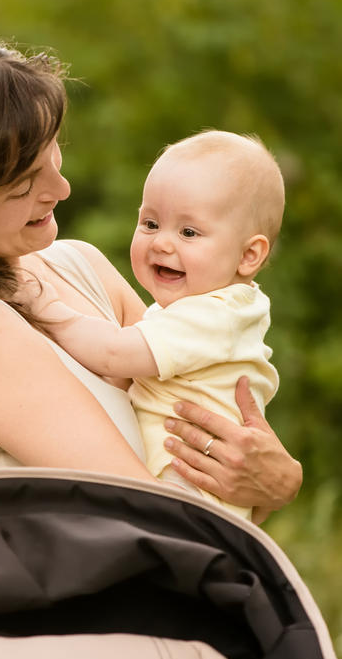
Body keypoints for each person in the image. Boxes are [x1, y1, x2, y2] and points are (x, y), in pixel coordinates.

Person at [0, 22, 302, 517]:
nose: (60, 188)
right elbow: (161, 520)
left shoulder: (79, 265)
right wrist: (272, 488)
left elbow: (215, 436)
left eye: (51, 149)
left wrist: (279, 480)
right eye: (25, 182)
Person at [30, 130, 285, 519]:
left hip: (188, 490)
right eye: (150, 223)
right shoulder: (210, 310)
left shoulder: (216, 315)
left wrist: (45, 306)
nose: (162, 244)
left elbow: (113, 354)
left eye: (188, 232)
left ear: (249, 254)